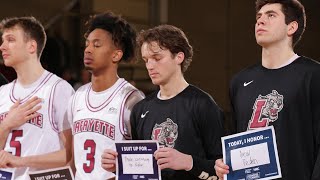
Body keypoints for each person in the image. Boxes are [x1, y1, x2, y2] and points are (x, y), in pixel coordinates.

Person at [101, 24, 224, 179]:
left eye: (157, 58)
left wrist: (189, 162)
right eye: (146, 60)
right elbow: (141, 171)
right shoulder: (140, 109)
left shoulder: (203, 104)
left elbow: (223, 171)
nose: (150, 66)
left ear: (179, 57)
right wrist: (119, 166)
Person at [215, 0, 320, 179]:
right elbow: (233, 140)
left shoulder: (313, 75)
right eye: (259, 17)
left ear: (291, 27)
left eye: (271, 15)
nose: (260, 21)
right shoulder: (240, 81)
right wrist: (223, 164)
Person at [67, 12, 144, 179]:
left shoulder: (131, 98)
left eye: (96, 45)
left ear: (116, 55)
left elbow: (143, 162)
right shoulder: (77, 96)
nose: (87, 50)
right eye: (87, 44)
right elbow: (74, 159)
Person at [0, 16, 74, 179]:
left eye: (10, 40)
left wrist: (21, 161)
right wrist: (6, 125)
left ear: (31, 46)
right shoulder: (2, 93)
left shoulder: (58, 89)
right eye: (3, 41)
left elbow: (71, 155)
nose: (2, 46)